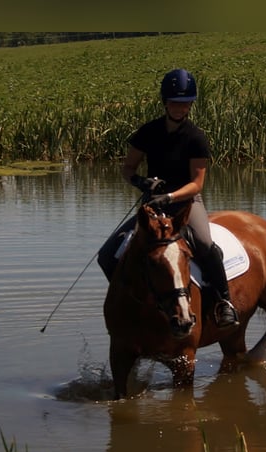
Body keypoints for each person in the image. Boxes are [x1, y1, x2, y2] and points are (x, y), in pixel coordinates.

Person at [97, 68, 239, 329]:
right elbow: (127, 169)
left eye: (185, 103)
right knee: (107, 256)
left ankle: (223, 301)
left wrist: (170, 196)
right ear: (165, 102)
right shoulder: (148, 132)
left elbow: (197, 184)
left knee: (205, 244)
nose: (179, 108)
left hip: (186, 203)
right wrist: (141, 182)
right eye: (174, 102)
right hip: (152, 207)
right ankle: (129, 302)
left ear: (191, 105)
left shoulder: (195, 138)